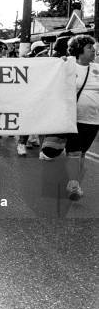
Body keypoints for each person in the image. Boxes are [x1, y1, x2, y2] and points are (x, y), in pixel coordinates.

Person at [63, 35, 98, 201]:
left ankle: (75, 182)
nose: (94, 50)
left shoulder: (97, 68)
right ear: (79, 50)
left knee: (82, 153)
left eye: (94, 48)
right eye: (90, 47)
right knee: (74, 152)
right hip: (73, 118)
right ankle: (73, 185)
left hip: (93, 120)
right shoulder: (67, 66)